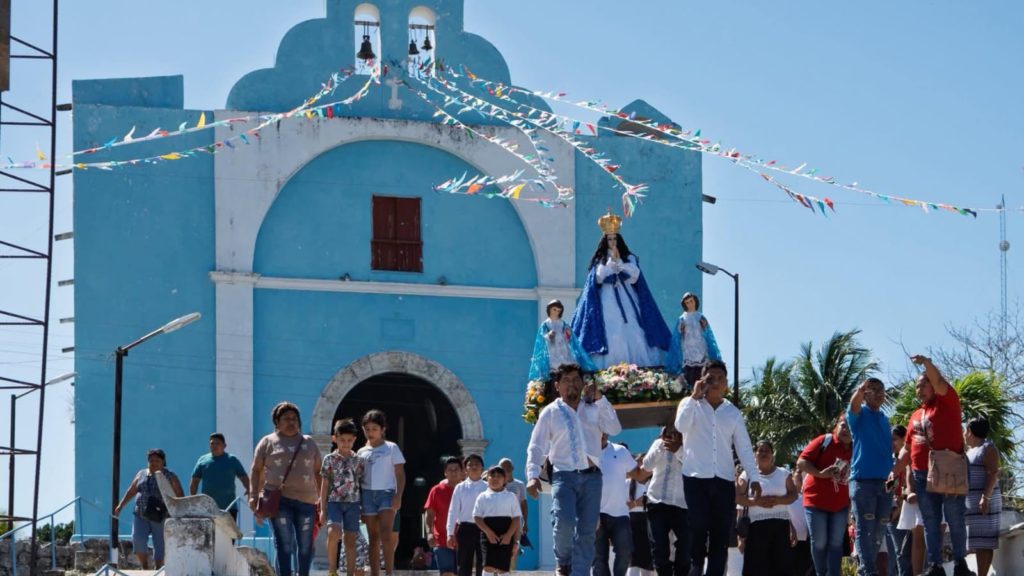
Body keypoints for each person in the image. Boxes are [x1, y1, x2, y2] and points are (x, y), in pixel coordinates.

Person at [526, 362, 623, 576]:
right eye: (567, 380)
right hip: (563, 476)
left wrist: (601, 399)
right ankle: (564, 560)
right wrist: (532, 476)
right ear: (557, 385)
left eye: (576, 380)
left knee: (588, 531)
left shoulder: (594, 408)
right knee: (564, 522)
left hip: (592, 477)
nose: (572, 384)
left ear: (583, 384)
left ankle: (579, 572)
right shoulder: (550, 413)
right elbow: (537, 446)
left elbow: (615, 428)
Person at [674, 360, 759, 576]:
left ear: (726, 384)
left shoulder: (732, 412)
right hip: (695, 478)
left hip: (723, 479)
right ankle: (695, 567)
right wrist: (694, 397)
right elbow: (680, 426)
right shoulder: (689, 403)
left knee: (721, 534)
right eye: (710, 378)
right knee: (698, 526)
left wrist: (754, 476)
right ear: (701, 380)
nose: (715, 382)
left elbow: (744, 447)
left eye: (720, 378)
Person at [892, 356, 974, 576]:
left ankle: (960, 564)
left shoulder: (948, 400)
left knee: (955, 517)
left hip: (949, 468)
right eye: (917, 386)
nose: (919, 390)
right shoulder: (916, 415)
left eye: (923, 384)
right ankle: (935, 565)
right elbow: (908, 448)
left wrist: (926, 363)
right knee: (930, 521)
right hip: (921, 473)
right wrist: (894, 472)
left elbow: (938, 381)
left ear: (934, 384)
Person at [571, 211, 671, 369]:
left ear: (619, 239)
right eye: (609, 239)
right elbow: (597, 277)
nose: (612, 242)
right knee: (612, 330)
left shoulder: (628, 257)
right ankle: (609, 367)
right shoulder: (600, 260)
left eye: (614, 238)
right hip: (607, 297)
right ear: (605, 241)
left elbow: (635, 275)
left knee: (635, 329)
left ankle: (636, 366)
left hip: (627, 296)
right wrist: (610, 263)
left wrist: (621, 264)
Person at [250, 402, 323, 576]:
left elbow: (318, 472)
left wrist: (322, 499)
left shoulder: (309, 443)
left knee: (305, 546)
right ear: (277, 422)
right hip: (279, 502)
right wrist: (253, 496)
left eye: (294, 418)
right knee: (284, 545)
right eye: (286, 419)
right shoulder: (267, 442)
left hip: (307, 503)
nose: (291, 422)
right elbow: (256, 470)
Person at [846, 378, 894, 576]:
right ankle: (868, 571)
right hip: (863, 481)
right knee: (865, 529)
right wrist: (860, 389)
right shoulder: (858, 415)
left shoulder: (884, 418)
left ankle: (865, 570)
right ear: (865, 394)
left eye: (881, 390)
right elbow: (854, 404)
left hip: (885, 482)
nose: (879, 394)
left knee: (879, 529)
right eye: (873, 390)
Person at [796, 416, 852, 576]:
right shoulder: (825, 441)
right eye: (843, 426)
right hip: (815, 502)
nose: (847, 430)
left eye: (850, 427)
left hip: (840, 504)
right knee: (819, 542)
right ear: (836, 427)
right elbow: (801, 462)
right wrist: (820, 474)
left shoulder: (856, 448)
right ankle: (821, 573)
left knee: (836, 543)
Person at [113, 448, 184, 570]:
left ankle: (158, 567)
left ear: (163, 462)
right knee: (137, 539)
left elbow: (179, 494)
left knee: (159, 543)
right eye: (151, 460)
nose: (153, 463)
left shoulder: (169, 476)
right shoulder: (141, 474)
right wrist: (121, 505)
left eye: (157, 460)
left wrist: (179, 512)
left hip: (160, 515)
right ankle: (145, 567)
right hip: (140, 514)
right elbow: (132, 490)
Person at [737, 441, 798, 576]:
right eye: (760, 450)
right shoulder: (746, 475)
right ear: (755, 454)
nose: (764, 453)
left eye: (767, 451)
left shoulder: (783, 473)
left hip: (780, 527)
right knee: (757, 569)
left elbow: (794, 495)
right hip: (756, 530)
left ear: (772, 454)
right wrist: (756, 502)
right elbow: (737, 497)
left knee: (781, 569)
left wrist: (778, 501)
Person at [357, 409, 406, 576]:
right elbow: (359, 477)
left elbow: (400, 473)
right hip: (367, 495)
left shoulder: (391, 448)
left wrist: (398, 496)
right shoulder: (361, 452)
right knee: (373, 537)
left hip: (387, 493)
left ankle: (389, 572)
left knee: (386, 533)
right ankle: (375, 573)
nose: (371, 432)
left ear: (383, 429)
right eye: (367, 429)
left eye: (374, 429)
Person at [641, 426, 689, 576]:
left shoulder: (691, 447)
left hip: (683, 505)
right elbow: (647, 466)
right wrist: (661, 445)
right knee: (659, 549)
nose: (674, 435)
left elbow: (694, 468)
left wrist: (678, 450)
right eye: (671, 432)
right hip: (657, 501)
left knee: (686, 548)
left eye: (677, 432)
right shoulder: (658, 444)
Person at [320, 419, 366, 576]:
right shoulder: (329, 459)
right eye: (342, 440)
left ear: (354, 439)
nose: (345, 443)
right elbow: (325, 484)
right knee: (333, 532)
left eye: (349, 440)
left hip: (353, 503)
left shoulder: (358, 460)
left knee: (350, 539)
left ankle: (350, 572)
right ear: (335, 439)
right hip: (334, 502)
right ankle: (332, 570)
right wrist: (322, 509)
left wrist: (363, 507)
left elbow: (361, 483)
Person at [596, 435, 638, 576]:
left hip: (620, 513)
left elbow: (637, 472)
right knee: (599, 557)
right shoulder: (585, 450)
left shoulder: (620, 451)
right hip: (595, 513)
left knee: (625, 551)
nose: (601, 433)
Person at [964, 417, 1001, 576]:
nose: (964, 434)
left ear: (970, 432)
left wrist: (985, 498)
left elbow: (993, 474)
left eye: (965, 430)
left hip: (985, 502)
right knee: (977, 541)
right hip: (972, 505)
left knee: (985, 542)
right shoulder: (970, 451)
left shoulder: (988, 447)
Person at [530, 299, 598, 381]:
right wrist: (549, 335)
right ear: (549, 310)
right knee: (554, 359)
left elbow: (569, 336)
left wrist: (568, 334)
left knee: (566, 355)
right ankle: (555, 369)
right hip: (552, 346)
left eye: (558, 310)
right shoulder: (546, 324)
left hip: (563, 344)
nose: (556, 312)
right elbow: (542, 336)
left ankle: (567, 365)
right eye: (554, 309)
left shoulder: (563, 323)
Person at [665, 292, 722, 388]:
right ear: (685, 305)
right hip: (688, 352)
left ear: (695, 301)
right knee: (690, 376)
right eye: (687, 302)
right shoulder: (682, 318)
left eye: (691, 301)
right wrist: (681, 329)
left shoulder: (700, 316)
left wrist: (705, 327)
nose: (690, 304)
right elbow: (677, 334)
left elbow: (708, 333)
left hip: (701, 350)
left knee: (703, 376)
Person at [472, 465, 522, 576]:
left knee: (503, 568)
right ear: (487, 478)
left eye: (499, 476)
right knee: (488, 566)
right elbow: (477, 517)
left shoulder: (511, 496)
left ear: (504, 480)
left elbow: (516, 518)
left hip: (506, 534)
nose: (495, 478)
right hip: (487, 535)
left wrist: (509, 536)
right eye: (492, 475)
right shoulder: (482, 497)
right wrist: (488, 532)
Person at [190, 433, 250, 521]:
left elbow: (243, 477)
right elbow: (195, 481)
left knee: (228, 534)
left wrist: (250, 490)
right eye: (212, 443)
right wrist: (193, 499)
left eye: (217, 443)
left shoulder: (232, 460)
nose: (214, 446)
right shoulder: (202, 460)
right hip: (207, 508)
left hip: (229, 508)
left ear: (224, 445)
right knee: (209, 534)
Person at [448, 454, 488, 576]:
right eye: (470, 464)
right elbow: (453, 511)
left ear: (482, 468)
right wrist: (450, 533)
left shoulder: (488, 487)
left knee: (484, 563)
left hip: (484, 529)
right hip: (465, 529)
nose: (474, 466)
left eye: (477, 464)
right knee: (464, 564)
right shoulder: (460, 488)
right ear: (465, 469)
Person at [425, 456, 464, 576]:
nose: (453, 472)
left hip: (465, 539)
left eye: (456, 469)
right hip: (441, 539)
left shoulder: (467, 489)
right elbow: (429, 514)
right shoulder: (436, 490)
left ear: (462, 472)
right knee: (447, 573)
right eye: (450, 470)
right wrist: (429, 533)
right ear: (445, 473)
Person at [884, 426, 911, 576]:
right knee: (895, 555)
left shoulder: (910, 460)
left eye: (894, 439)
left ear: (904, 439)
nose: (891, 443)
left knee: (905, 553)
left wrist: (900, 507)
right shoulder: (891, 462)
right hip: (892, 513)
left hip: (906, 510)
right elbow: (890, 489)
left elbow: (909, 487)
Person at [497, 458, 529, 569]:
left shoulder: (519, 484)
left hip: (516, 522)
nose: (506, 469)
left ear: (512, 468)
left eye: (508, 467)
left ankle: (510, 570)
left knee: (513, 548)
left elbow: (523, 504)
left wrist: (525, 522)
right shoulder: (495, 484)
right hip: (499, 521)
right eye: (503, 467)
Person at [627, 455, 654, 576]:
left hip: (648, 520)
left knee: (648, 558)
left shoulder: (653, 483)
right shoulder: (628, 483)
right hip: (632, 522)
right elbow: (624, 505)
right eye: (638, 462)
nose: (641, 465)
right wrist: (636, 502)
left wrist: (640, 502)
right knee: (634, 557)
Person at [788, 468, 814, 576]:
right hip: (791, 541)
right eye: (797, 477)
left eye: (801, 478)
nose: (800, 479)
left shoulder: (807, 497)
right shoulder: (786, 497)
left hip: (806, 541)